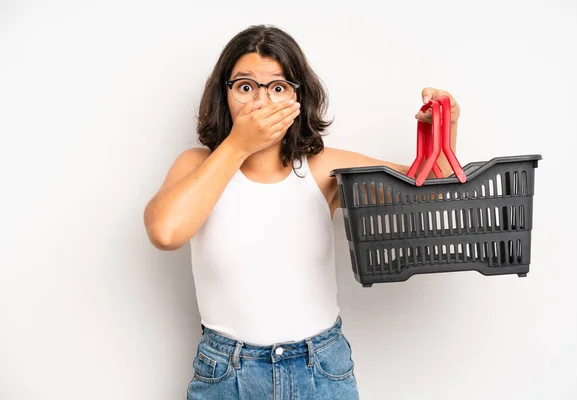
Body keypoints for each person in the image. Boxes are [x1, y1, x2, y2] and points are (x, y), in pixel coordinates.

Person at [143, 24, 461, 400]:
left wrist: (445, 125)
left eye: (277, 88)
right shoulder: (198, 164)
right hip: (227, 374)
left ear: (299, 97)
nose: (261, 102)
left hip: (320, 369)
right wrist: (237, 146)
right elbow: (165, 232)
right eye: (245, 87)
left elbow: (431, 192)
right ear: (223, 95)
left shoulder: (322, 168)